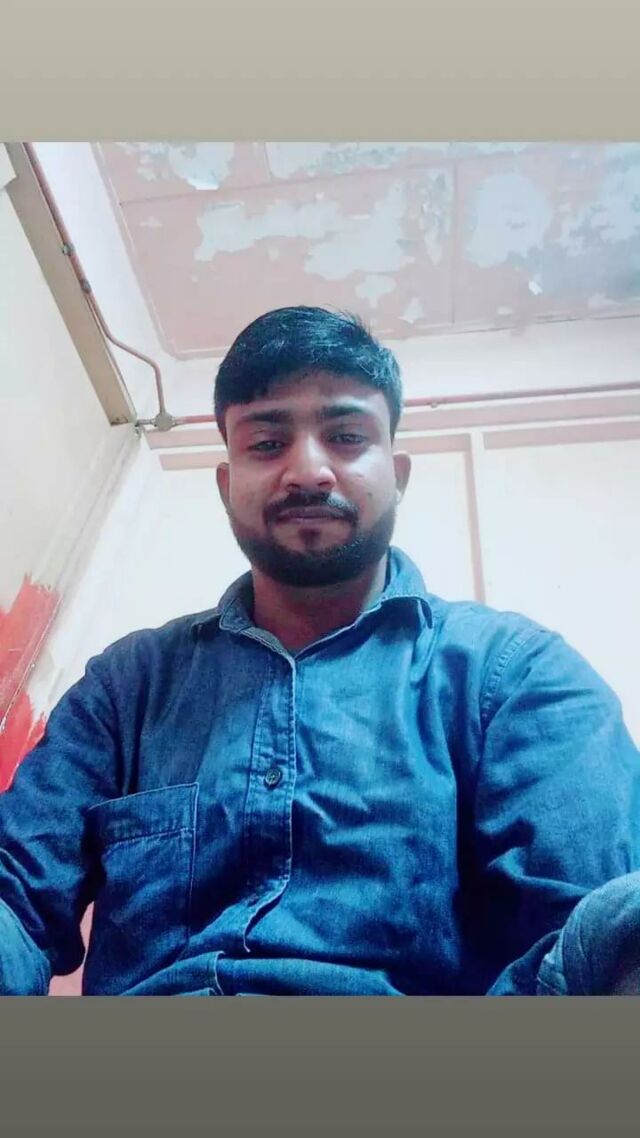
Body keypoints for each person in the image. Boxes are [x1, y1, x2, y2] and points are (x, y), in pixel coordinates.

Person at [1, 305, 639, 997]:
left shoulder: (518, 674)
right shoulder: (127, 685)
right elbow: (15, 898)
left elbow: (584, 946)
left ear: (397, 474)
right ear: (226, 485)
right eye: (267, 443)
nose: (307, 471)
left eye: (346, 436)